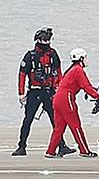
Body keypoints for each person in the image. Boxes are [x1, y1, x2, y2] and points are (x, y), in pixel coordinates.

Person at [13, 27, 75, 157]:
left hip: (50, 92)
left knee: (55, 120)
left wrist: (59, 87)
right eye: (44, 39)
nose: (46, 42)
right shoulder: (30, 56)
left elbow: (58, 72)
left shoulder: (53, 54)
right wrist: (21, 92)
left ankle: (62, 146)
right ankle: (21, 146)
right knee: (28, 119)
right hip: (34, 92)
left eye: (48, 39)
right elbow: (22, 74)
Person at [45, 48, 99, 158]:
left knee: (59, 128)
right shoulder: (78, 70)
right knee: (76, 126)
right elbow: (86, 86)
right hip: (66, 99)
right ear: (81, 58)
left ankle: (51, 151)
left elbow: (85, 86)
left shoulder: (71, 70)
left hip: (58, 99)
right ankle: (84, 150)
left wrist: (96, 91)